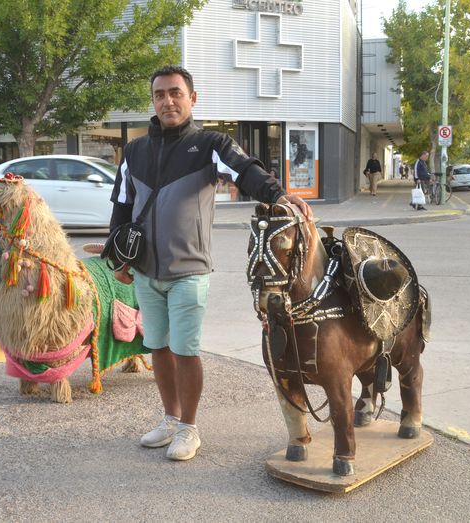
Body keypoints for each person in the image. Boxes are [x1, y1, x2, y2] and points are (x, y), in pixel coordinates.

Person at [108, 65, 313, 461]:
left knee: (185, 350)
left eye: (175, 93)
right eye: (159, 94)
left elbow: (246, 169)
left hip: (189, 270)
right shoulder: (134, 151)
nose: (167, 100)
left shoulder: (209, 144)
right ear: (152, 101)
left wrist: (278, 196)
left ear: (192, 98)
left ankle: (189, 427)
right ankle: (170, 419)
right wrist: (119, 258)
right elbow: (121, 205)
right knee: (158, 348)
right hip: (146, 271)